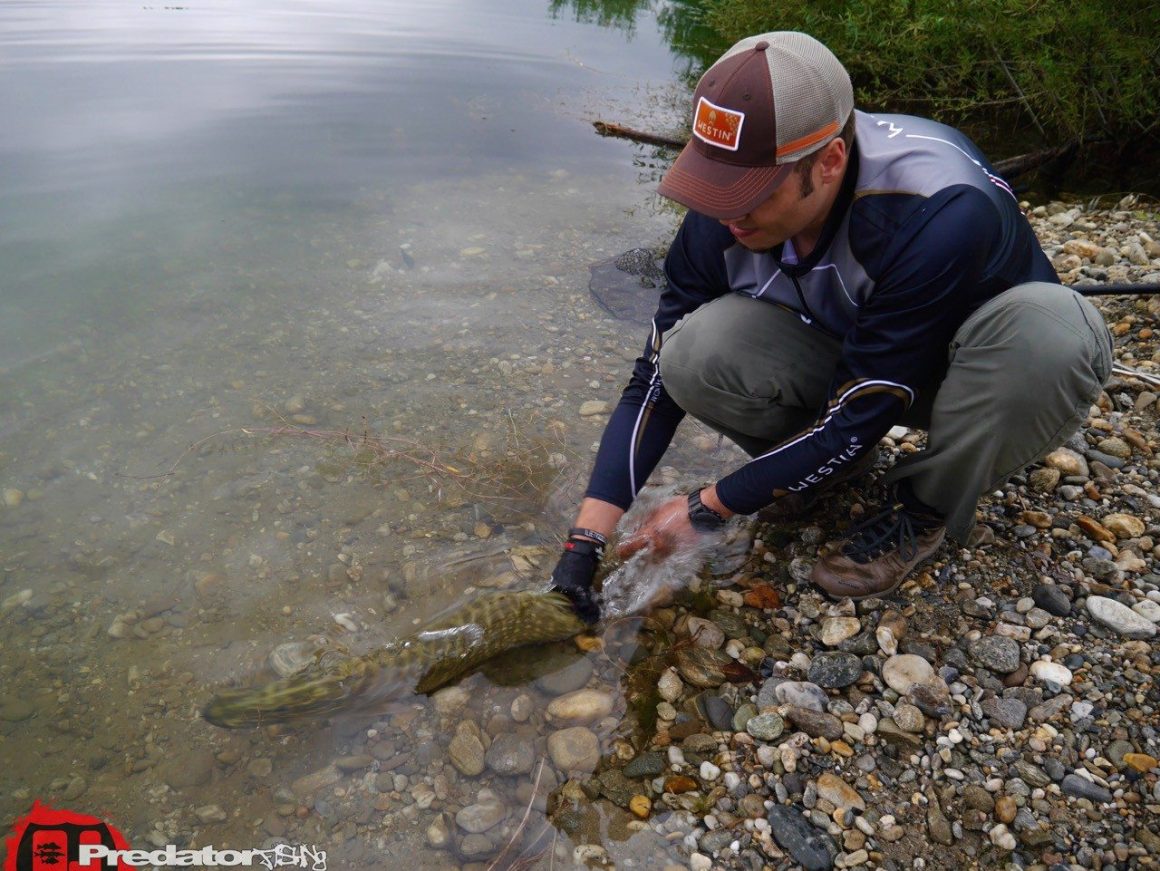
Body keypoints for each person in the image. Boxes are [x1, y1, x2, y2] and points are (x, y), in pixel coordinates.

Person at [550, 31, 1112, 622]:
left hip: (973, 373)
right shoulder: (721, 217)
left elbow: (865, 408)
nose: (725, 213)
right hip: (860, 355)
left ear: (830, 162)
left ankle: (922, 510)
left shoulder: (938, 209)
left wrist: (708, 507)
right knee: (690, 351)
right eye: (713, 184)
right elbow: (652, 385)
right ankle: (819, 473)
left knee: (1052, 335)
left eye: (749, 193)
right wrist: (583, 544)